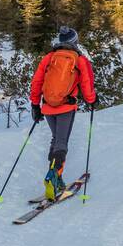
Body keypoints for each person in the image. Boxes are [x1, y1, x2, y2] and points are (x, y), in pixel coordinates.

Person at [29, 26, 97, 199]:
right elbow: (87, 83)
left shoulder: (49, 57)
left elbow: (36, 81)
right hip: (66, 107)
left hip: (48, 105)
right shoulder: (79, 60)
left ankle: (56, 177)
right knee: (61, 143)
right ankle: (53, 176)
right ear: (75, 42)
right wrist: (92, 100)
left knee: (56, 140)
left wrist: (35, 105)